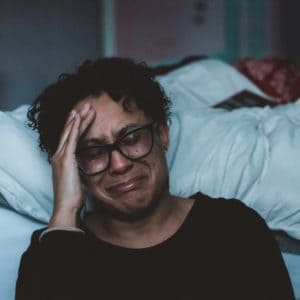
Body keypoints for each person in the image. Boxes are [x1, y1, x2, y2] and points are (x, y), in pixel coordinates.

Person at [15, 57, 295, 300]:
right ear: (73, 166)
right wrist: (65, 212)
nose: (120, 163)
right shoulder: (51, 254)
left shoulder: (234, 229)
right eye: (94, 151)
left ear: (162, 134)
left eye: (132, 137)